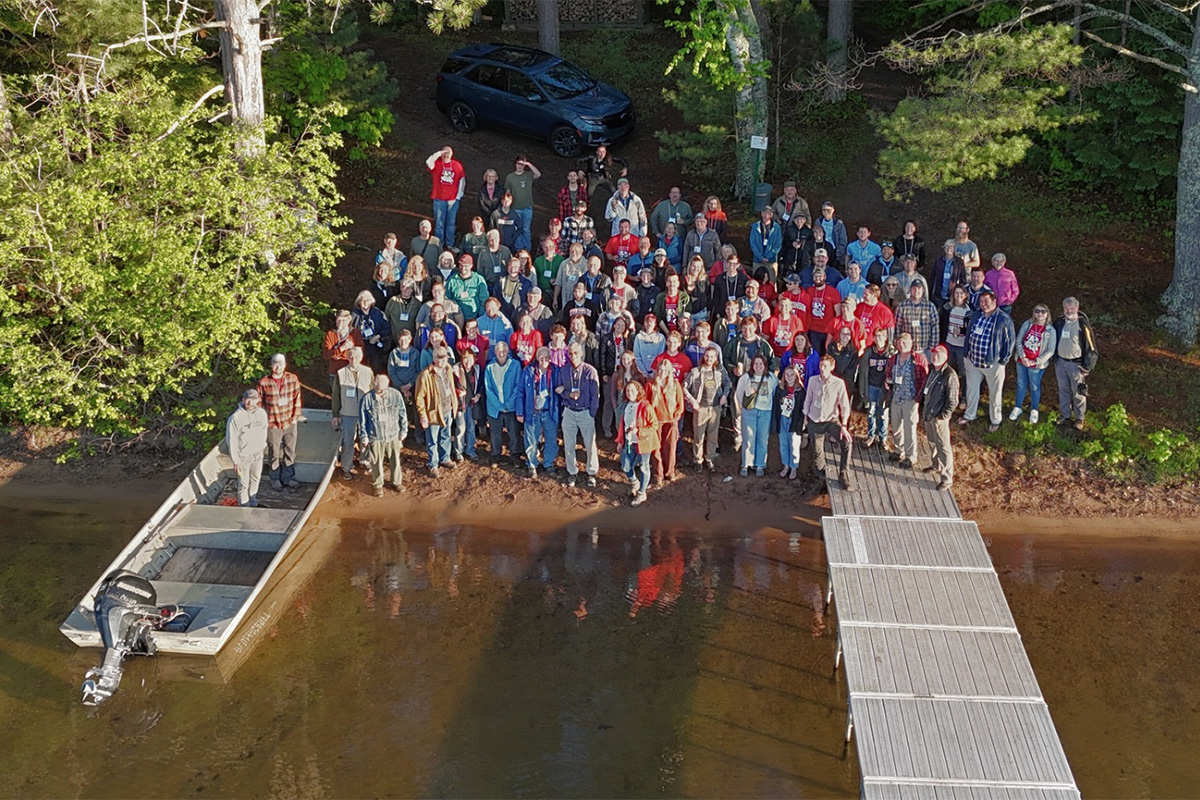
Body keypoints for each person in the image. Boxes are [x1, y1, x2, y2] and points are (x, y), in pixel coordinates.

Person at [959, 288, 1015, 432]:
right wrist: (967, 353)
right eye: (981, 301)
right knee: (972, 390)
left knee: (995, 393)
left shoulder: (1003, 319)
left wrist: (1003, 361)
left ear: (994, 302)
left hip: (992, 364)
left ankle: (995, 419)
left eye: (987, 301)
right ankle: (970, 415)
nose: (984, 304)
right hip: (973, 361)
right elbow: (969, 334)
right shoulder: (976, 315)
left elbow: (1009, 342)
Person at [804, 354, 855, 491]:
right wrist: (805, 417)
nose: (822, 368)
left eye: (825, 366)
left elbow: (845, 406)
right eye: (821, 365)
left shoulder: (838, 383)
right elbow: (808, 399)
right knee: (817, 452)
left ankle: (844, 473)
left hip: (831, 419)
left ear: (832, 367)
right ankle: (821, 478)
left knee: (846, 443)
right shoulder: (813, 380)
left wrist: (844, 426)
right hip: (815, 419)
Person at [257, 353, 304, 491]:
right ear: (271, 365)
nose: (278, 367)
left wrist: (295, 417)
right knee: (274, 453)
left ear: (285, 365)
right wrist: (262, 423)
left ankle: (288, 478)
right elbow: (259, 405)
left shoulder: (292, 379)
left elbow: (297, 398)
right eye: (275, 363)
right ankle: (275, 478)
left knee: (290, 451)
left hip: (290, 422)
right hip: (273, 424)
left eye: (281, 364)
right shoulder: (263, 382)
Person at [557, 341, 600, 487]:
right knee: (569, 444)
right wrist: (568, 394)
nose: (573, 356)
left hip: (585, 411)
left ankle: (592, 472)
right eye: (570, 353)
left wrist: (592, 413)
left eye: (575, 352)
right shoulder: (563, 370)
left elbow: (595, 395)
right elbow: (558, 389)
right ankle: (572, 472)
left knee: (589, 444)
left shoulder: (590, 371)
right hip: (569, 411)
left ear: (581, 353)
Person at [1053, 296, 1098, 431]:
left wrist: (1087, 366)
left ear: (1077, 308)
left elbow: (1091, 346)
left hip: (1076, 365)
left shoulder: (1082, 324)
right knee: (1063, 390)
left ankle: (1080, 418)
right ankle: (1065, 414)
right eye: (1066, 308)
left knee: (1078, 392)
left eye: (1072, 308)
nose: (1069, 310)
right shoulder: (1059, 322)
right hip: (1061, 362)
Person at [515, 346, 561, 478]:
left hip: (549, 411)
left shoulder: (555, 371)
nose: (543, 359)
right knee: (531, 439)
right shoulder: (528, 371)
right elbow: (520, 392)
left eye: (546, 357)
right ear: (537, 357)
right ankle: (532, 464)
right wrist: (520, 412)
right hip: (532, 411)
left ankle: (548, 463)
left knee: (551, 439)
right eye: (541, 356)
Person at [359, 374, 409, 496]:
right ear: (374, 385)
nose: (380, 391)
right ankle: (378, 485)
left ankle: (396, 482)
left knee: (395, 460)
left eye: (383, 389)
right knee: (376, 461)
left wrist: (404, 431)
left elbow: (403, 414)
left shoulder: (396, 395)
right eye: (378, 388)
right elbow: (362, 420)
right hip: (375, 436)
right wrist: (364, 436)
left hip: (393, 434)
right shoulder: (367, 399)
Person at [683, 345, 730, 471]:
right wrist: (692, 401)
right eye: (707, 355)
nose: (709, 358)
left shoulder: (720, 371)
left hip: (715, 408)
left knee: (713, 436)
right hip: (701, 408)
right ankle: (698, 460)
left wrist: (724, 396)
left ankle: (709, 458)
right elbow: (684, 387)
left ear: (716, 358)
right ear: (704, 356)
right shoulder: (696, 372)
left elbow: (727, 384)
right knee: (699, 436)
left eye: (712, 356)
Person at [886, 332, 929, 468]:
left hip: (910, 398)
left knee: (909, 427)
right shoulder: (893, 359)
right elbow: (888, 373)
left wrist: (918, 399)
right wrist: (887, 381)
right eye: (900, 343)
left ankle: (911, 456)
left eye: (905, 342)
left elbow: (924, 379)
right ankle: (899, 450)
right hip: (896, 396)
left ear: (911, 344)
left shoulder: (918, 359)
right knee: (896, 426)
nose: (902, 345)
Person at [415, 346, 459, 476]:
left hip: (447, 410)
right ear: (433, 358)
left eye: (444, 357)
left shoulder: (448, 369)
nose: (442, 360)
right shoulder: (425, 375)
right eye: (439, 357)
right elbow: (419, 397)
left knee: (446, 436)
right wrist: (423, 414)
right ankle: (433, 464)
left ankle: (445, 458)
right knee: (432, 440)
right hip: (433, 413)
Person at [1009, 304, 1057, 424]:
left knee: (1034, 386)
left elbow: (1050, 350)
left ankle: (1034, 410)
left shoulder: (1050, 330)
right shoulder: (1028, 324)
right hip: (1022, 361)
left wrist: (1036, 361)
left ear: (1047, 314)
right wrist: (1023, 357)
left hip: (1037, 365)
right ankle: (1018, 407)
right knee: (1021, 384)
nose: (1040, 314)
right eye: (1037, 311)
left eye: (1043, 312)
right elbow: (1019, 340)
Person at [332, 346, 374, 480]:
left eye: (356, 356)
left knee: (366, 440)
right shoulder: (341, 373)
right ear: (347, 357)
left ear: (361, 357)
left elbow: (373, 392)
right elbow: (336, 395)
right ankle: (346, 467)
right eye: (350, 356)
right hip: (347, 413)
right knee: (347, 442)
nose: (353, 359)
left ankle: (366, 461)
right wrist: (335, 415)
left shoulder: (368, 372)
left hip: (365, 413)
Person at [921, 344, 959, 491]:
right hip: (928, 414)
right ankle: (936, 465)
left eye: (938, 355)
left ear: (945, 357)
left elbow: (953, 400)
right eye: (933, 354)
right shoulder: (932, 369)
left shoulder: (949, 375)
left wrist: (943, 416)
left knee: (943, 447)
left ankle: (947, 478)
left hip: (939, 417)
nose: (935, 357)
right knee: (931, 441)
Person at [735, 354, 778, 477]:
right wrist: (744, 407)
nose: (758, 366)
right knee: (748, 437)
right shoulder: (746, 378)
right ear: (752, 365)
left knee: (762, 439)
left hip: (765, 412)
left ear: (765, 366)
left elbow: (775, 392)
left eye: (761, 364)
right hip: (749, 411)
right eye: (756, 364)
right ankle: (746, 464)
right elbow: (739, 393)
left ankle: (760, 464)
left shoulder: (771, 378)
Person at [616, 380, 657, 507]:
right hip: (629, 442)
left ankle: (642, 493)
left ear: (638, 391)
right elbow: (623, 425)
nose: (630, 393)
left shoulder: (646, 406)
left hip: (644, 442)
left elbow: (654, 425)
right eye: (627, 390)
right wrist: (620, 441)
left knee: (644, 467)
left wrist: (639, 430)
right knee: (625, 465)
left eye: (633, 390)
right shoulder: (626, 406)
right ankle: (634, 482)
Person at [226, 388, 268, 507]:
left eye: (253, 400)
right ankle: (244, 508)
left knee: (256, 479)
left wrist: (263, 446)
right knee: (243, 484)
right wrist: (236, 461)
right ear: (243, 400)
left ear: (258, 400)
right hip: (243, 457)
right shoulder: (235, 418)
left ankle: (253, 503)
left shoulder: (262, 414)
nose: (249, 403)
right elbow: (232, 440)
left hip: (258, 455)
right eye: (247, 400)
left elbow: (264, 430)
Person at [647, 359, 685, 485]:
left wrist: (676, 417)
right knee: (656, 449)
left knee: (670, 448)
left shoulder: (675, 384)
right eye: (660, 370)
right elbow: (646, 404)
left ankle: (670, 472)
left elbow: (680, 405)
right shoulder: (650, 385)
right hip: (655, 422)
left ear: (669, 372)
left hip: (670, 421)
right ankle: (658, 474)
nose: (662, 373)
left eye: (665, 370)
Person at [483, 341, 521, 464]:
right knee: (495, 434)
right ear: (494, 352)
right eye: (498, 351)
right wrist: (499, 406)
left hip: (511, 407)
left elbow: (518, 386)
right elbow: (488, 388)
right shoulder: (489, 367)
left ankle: (515, 455)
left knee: (513, 433)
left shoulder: (515, 365)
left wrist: (508, 404)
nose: (501, 353)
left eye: (504, 351)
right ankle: (495, 455)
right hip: (495, 408)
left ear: (508, 351)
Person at [425, 146, 465, 250]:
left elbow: (462, 181)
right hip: (439, 199)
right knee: (439, 224)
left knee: (451, 223)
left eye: (448, 153)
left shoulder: (457, 165)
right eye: (444, 152)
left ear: (452, 154)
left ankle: (450, 244)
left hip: (453, 200)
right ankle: (439, 245)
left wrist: (458, 196)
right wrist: (439, 153)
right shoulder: (437, 164)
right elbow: (428, 162)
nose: (446, 155)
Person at [387, 328, 421, 444]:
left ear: (410, 340)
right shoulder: (394, 353)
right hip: (398, 386)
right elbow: (391, 371)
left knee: (417, 410)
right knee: (398, 410)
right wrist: (401, 386)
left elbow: (418, 371)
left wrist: (410, 385)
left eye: (406, 340)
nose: (403, 343)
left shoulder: (415, 353)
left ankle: (418, 434)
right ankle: (399, 434)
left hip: (413, 385)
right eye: (401, 340)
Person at [859, 327, 891, 448]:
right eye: (876, 336)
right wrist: (862, 389)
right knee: (871, 412)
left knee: (883, 412)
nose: (879, 339)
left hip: (884, 387)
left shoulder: (890, 352)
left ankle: (883, 437)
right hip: (871, 386)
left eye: (881, 336)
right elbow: (862, 372)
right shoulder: (868, 352)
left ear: (886, 337)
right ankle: (871, 435)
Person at [323, 310, 364, 396]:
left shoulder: (355, 333)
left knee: (351, 396)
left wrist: (336, 353)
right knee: (336, 396)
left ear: (349, 320)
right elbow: (326, 355)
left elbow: (360, 353)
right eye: (338, 320)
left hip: (350, 370)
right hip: (335, 371)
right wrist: (342, 348)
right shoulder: (331, 334)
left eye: (343, 320)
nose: (340, 323)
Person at [775, 365, 806, 480]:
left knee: (793, 444)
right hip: (782, 418)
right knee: (783, 444)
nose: (789, 377)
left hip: (794, 420)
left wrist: (802, 423)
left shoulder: (801, 391)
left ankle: (794, 467)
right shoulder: (780, 389)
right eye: (787, 375)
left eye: (792, 374)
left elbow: (803, 408)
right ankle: (786, 465)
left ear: (796, 376)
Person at [504, 156, 541, 252]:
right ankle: (519, 249)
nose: (520, 166)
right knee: (518, 229)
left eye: (522, 164)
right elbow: (507, 191)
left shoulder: (528, 175)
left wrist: (528, 164)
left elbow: (538, 174)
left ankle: (527, 249)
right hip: (515, 208)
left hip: (527, 208)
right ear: (515, 164)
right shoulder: (510, 177)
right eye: (518, 164)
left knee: (526, 229)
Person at [895, 281, 940, 357]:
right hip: (907, 350)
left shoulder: (930, 306)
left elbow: (935, 327)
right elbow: (897, 327)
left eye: (919, 289)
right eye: (914, 288)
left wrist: (932, 348)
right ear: (910, 290)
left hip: (925, 349)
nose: (916, 291)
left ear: (923, 290)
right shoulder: (902, 306)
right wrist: (900, 346)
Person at [803, 266, 841, 356]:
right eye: (815, 276)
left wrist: (835, 329)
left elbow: (838, 312)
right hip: (813, 329)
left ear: (825, 277)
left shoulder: (833, 292)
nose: (818, 278)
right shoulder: (809, 291)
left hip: (828, 330)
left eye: (820, 276)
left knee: (827, 355)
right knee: (815, 355)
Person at [352, 290, 391, 374]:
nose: (365, 303)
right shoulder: (355, 314)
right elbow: (351, 330)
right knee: (361, 367)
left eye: (368, 300)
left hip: (374, 344)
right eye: (363, 301)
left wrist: (378, 336)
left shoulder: (377, 313)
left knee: (376, 367)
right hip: (360, 345)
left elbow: (387, 327)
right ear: (359, 302)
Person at [750, 207, 783, 285]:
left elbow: (778, 244)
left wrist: (769, 257)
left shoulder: (776, 227)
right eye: (764, 213)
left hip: (771, 261)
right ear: (761, 214)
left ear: (771, 215)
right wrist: (760, 257)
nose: (766, 216)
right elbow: (752, 243)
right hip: (757, 260)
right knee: (756, 283)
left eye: (768, 213)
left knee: (772, 283)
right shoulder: (755, 226)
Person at [945, 285, 971, 381]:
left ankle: (964, 394)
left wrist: (962, 331)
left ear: (965, 295)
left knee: (963, 371)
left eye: (961, 293)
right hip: (949, 343)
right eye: (956, 293)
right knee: (948, 370)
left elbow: (970, 329)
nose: (959, 295)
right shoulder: (947, 308)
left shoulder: (969, 311)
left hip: (961, 345)